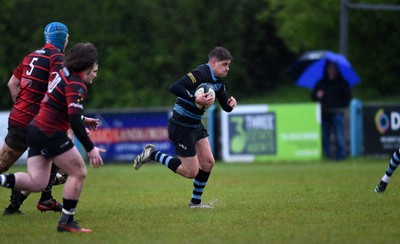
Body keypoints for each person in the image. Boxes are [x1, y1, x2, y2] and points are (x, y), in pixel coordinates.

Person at [0, 42, 104, 233]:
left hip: (36, 130)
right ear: (87, 66)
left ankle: (2, 181)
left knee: (37, 182)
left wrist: (80, 121)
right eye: (94, 69)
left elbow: (56, 105)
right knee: (78, 172)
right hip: (50, 133)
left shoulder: (62, 74)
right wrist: (91, 148)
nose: (95, 74)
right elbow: (72, 119)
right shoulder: (76, 84)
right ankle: (67, 221)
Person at [133, 46, 237, 208]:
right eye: (224, 64)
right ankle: (153, 154)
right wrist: (195, 99)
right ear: (214, 63)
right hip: (181, 125)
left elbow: (225, 106)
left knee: (208, 162)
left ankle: (195, 203)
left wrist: (231, 104)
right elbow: (174, 87)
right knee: (190, 172)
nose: (227, 68)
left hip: (195, 124)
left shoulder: (218, 83)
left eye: (229, 65)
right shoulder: (199, 74)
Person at [1, 22, 70, 215]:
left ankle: (17, 206)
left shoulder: (31, 56)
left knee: (4, 164)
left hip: (19, 119)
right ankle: (44, 200)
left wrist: (21, 106)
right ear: (63, 38)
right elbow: (54, 91)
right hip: (38, 124)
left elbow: (12, 83)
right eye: (66, 38)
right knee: (57, 161)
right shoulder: (58, 58)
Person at [311, 61, 351, 161]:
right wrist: (317, 96)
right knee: (325, 137)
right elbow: (313, 97)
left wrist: (341, 106)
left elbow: (347, 97)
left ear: (337, 70)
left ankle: (341, 156)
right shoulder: (321, 83)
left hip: (337, 113)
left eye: (333, 69)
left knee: (339, 136)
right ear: (327, 70)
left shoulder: (342, 83)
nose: (331, 71)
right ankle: (327, 156)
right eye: (330, 69)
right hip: (324, 114)